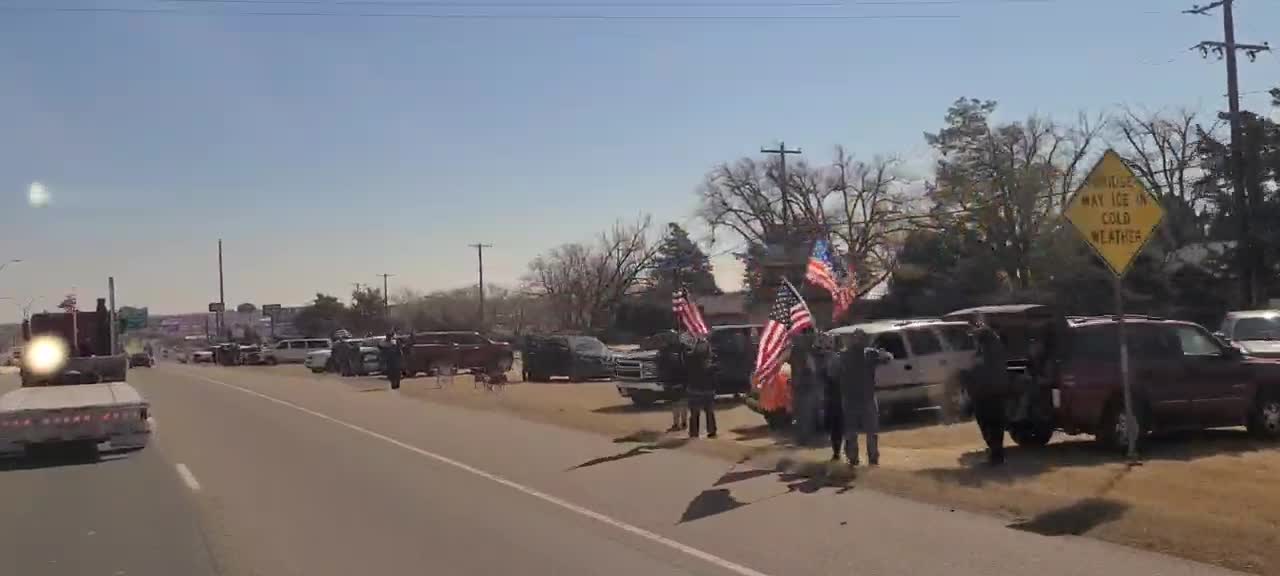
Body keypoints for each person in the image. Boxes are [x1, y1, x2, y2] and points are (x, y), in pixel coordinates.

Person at [839, 329, 893, 466]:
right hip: (853, 398)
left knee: (870, 432)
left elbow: (888, 358)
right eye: (857, 338)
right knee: (854, 432)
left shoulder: (868, 353)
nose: (859, 341)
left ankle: (871, 459)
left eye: (861, 338)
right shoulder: (846, 355)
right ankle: (854, 459)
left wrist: (883, 354)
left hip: (865, 397)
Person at [969, 320, 1012, 466]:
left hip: (985, 393)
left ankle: (995, 453)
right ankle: (997, 453)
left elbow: (978, 370)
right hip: (997, 391)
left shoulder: (985, 352)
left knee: (987, 423)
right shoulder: (997, 349)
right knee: (996, 424)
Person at [685, 336, 717, 438]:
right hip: (704, 389)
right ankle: (710, 431)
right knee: (708, 412)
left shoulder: (690, 358)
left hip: (696, 389)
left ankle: (695, 433)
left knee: (697, 413)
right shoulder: (711, 360)